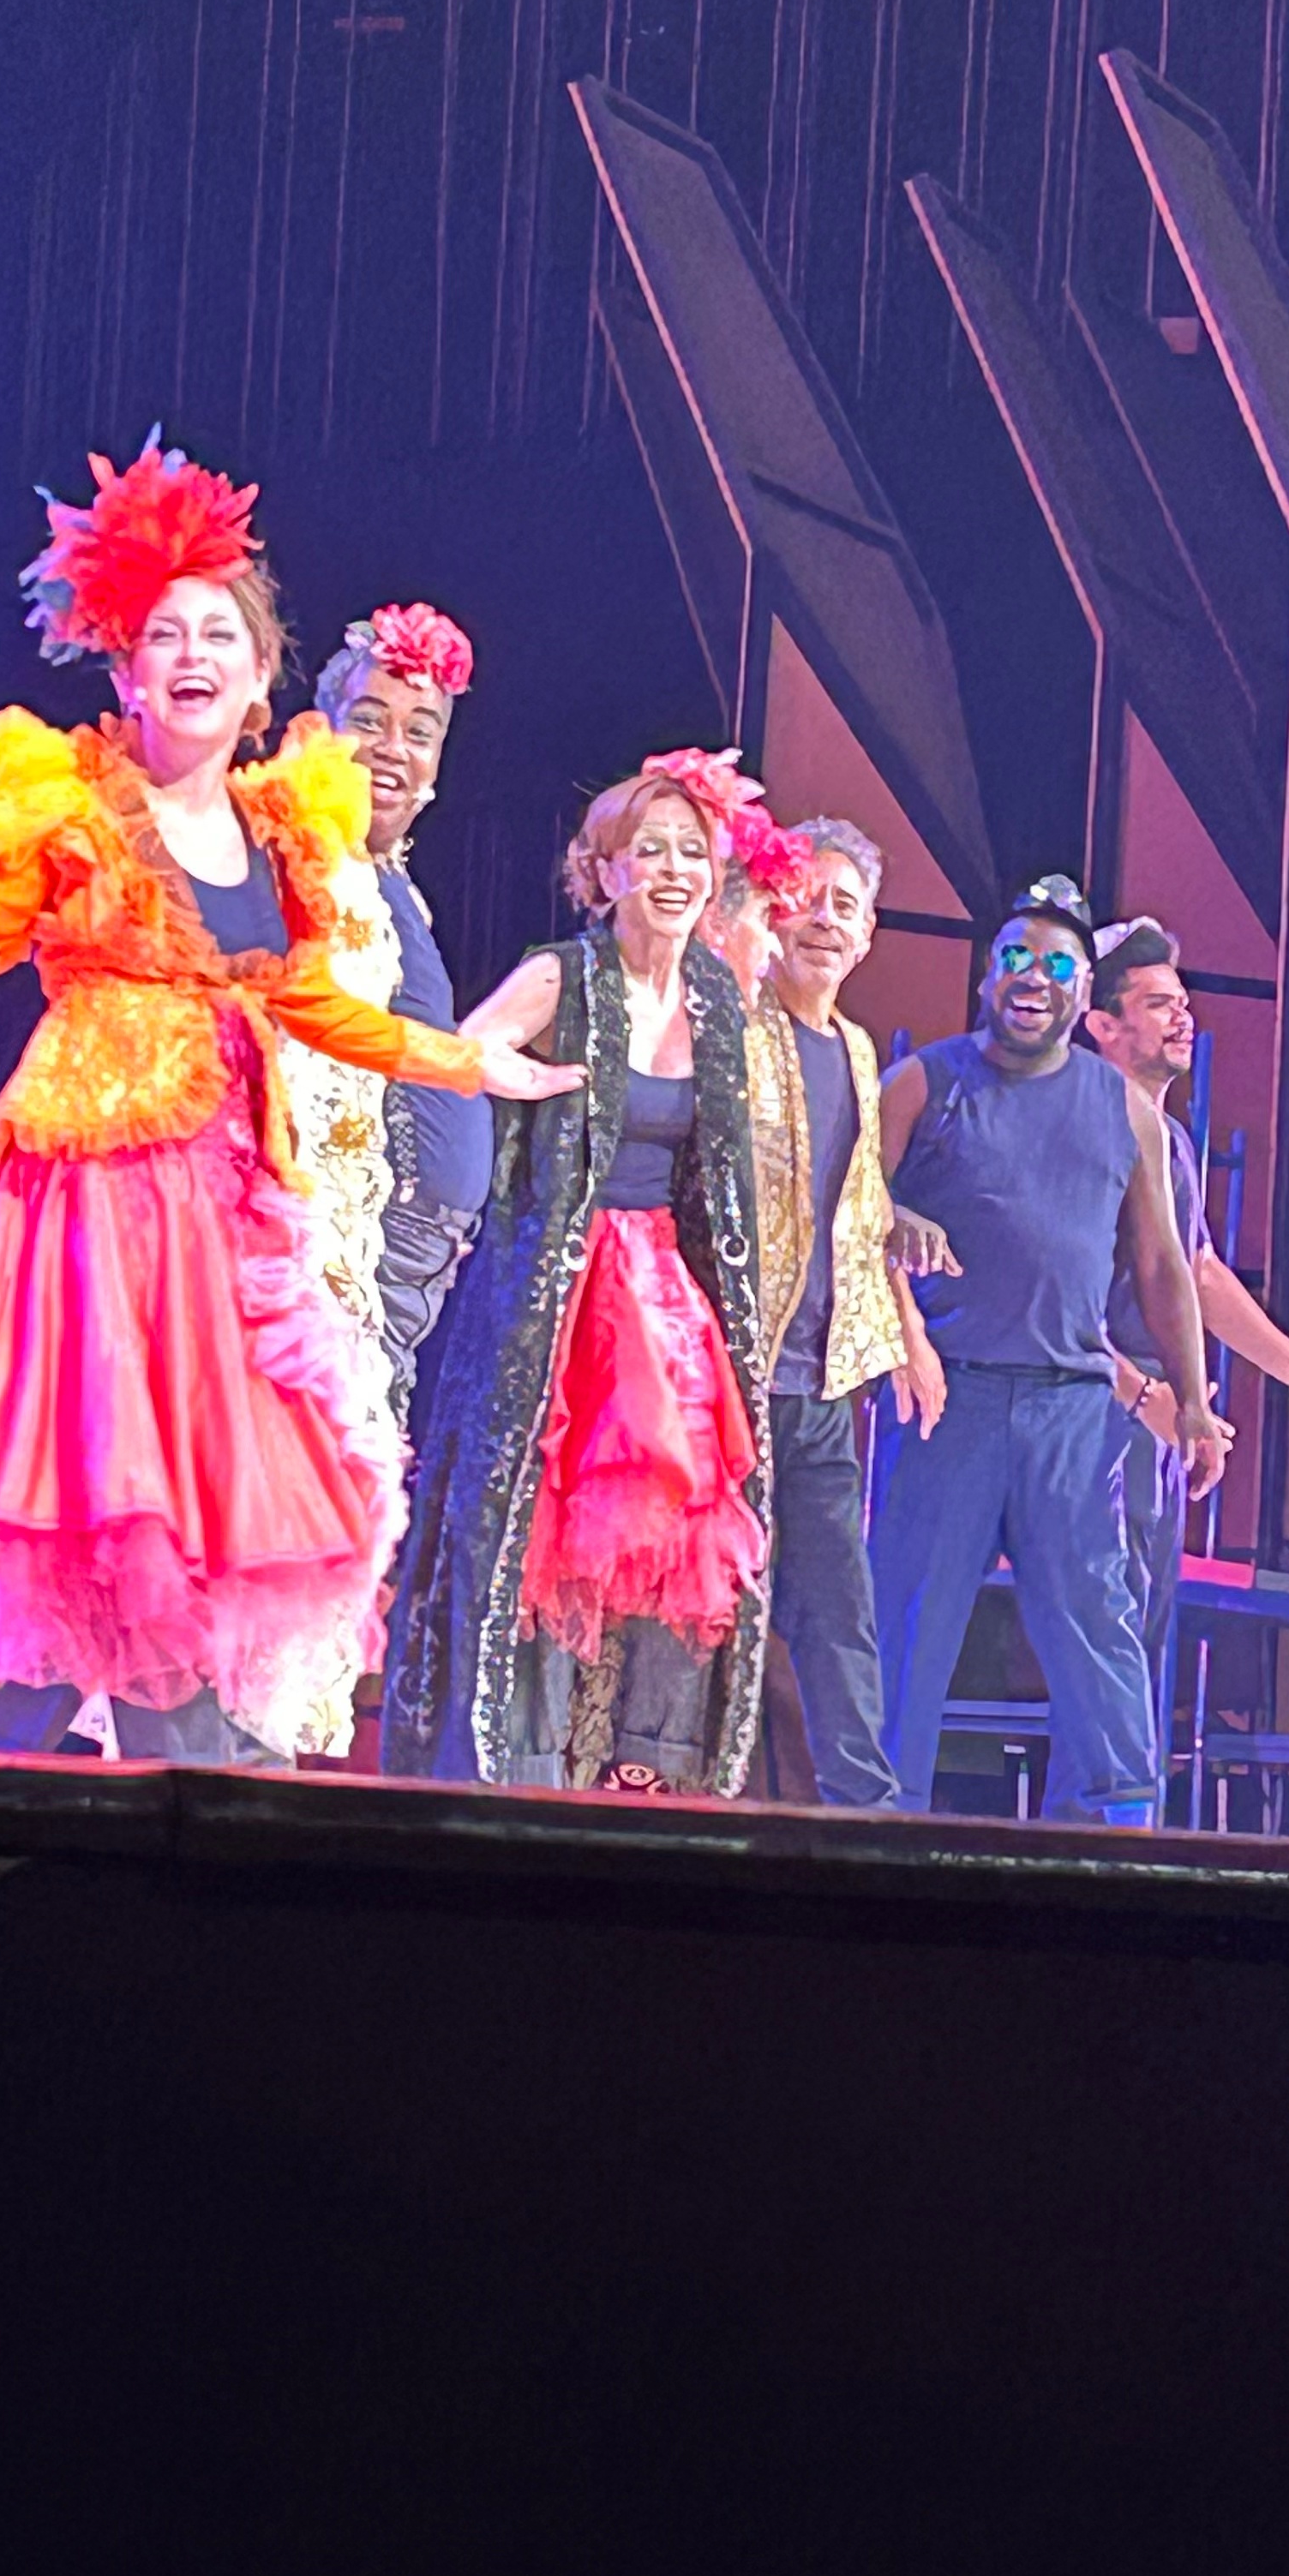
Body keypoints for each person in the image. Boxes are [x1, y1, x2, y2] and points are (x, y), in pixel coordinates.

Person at [0, 432, 572, 1764]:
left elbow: (314, 1007)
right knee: (119, 1518)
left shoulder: (275, 839)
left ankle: (23, 1783)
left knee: (168, 1539)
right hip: (101, 1211)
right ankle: (188, 1788)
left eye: (219, 632)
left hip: (220, 1222)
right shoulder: (82, 816)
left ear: (261, 675)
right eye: (164, 633)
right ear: (126, 667)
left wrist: (468, 1063)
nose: (192, 654)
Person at [383, 751, 768, 1795]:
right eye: (651, 850)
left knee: (672, 1531)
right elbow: (456, 1063)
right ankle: (526, 1770)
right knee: (548, 1531)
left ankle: (643, 1768)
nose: (675, 871)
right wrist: (503, 1093)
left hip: (666, 1301)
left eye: (693, 852)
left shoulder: (715, 998)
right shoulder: (562, 976)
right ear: (603, 872)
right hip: (564, 1291)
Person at [868, 875, 1225, 1827]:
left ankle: (1118, 1833)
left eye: (1059, 965)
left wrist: (1194, 1403)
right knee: (909, 1623)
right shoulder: (923, 1083)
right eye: (1016, 959)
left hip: (1071, 1406)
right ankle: (876, 1827)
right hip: (948, 1401)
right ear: (988, 975)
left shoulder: (1124, 1109)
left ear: (1082, 992)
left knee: (1096, 1623)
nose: (1034, 977)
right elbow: (847, 1209)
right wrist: (892, 1220)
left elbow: (1163, 1263)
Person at [1087, 914, 1289, 1722]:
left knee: (1140, 1648)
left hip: (1153, 1420)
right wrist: (1142, 1396)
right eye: (1157, 1003)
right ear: (1103, 1026)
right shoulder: (1086, 1128)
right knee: (1101, 1649)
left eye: (1183, 1002)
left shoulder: (1172, 1142)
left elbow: (1199, 1272)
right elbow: (1052, 1297)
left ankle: (1128, 1801)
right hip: (1097, 1410)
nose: (1181, 1017)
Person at [723, 814, 944, 1810]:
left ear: (867, 936)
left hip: (818, 1386)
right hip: (727, 1375)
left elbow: (856, 1205)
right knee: (705, 1600)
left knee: (839, 1611)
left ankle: (867, 1813)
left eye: (844, 906)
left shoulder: (857, 1051)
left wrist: (909, 1333)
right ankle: (670, 1794)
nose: (823, 920)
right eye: (806, 898)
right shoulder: (732, 1023)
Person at [312, 602, 495, 1426]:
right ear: (322, 731)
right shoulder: (306, 864)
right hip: (342, 1239)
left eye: (420, 732)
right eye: (369, 720)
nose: (394, 746)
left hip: (413, 1248)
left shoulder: (393, 884)